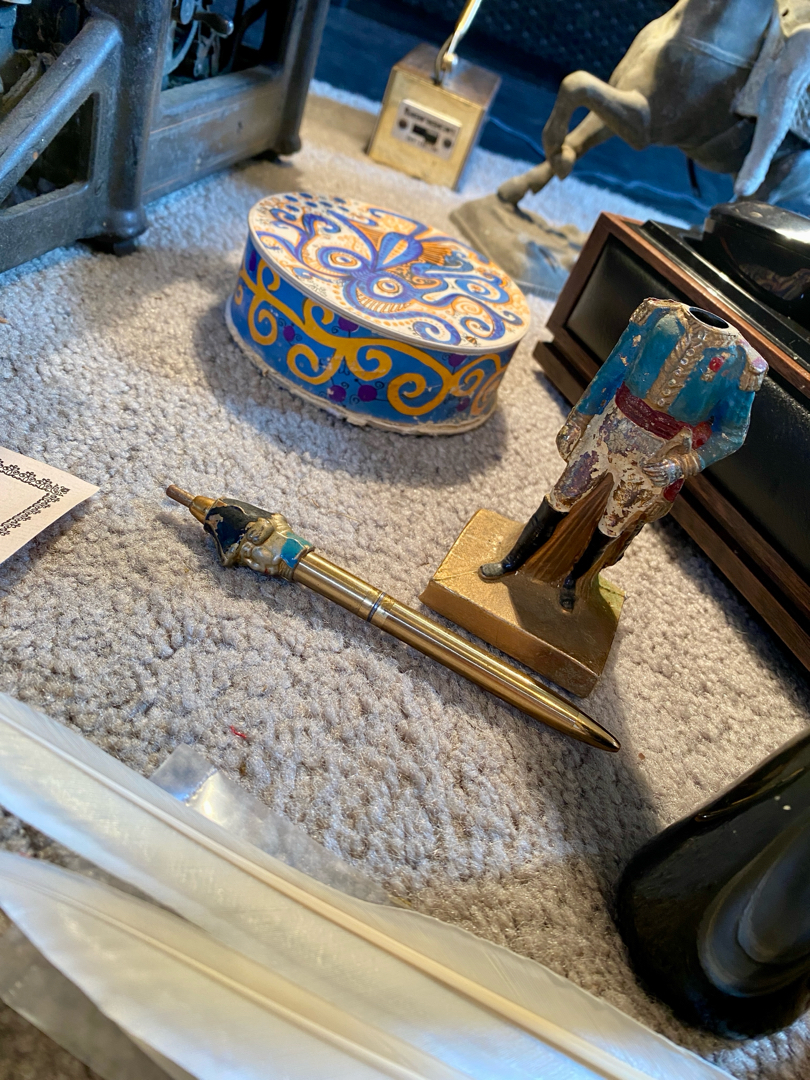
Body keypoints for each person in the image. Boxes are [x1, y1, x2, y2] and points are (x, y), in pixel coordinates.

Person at [480, 298, 768, 611]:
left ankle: (574, 581)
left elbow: (732, 433)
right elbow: (612, 371)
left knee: (613, 523)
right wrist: (579, 419)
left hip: (658, 454)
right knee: (561, 496)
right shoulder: (658, 315)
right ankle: (514, 559)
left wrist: (682, 464)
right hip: (609, 427)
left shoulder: (742, 361)